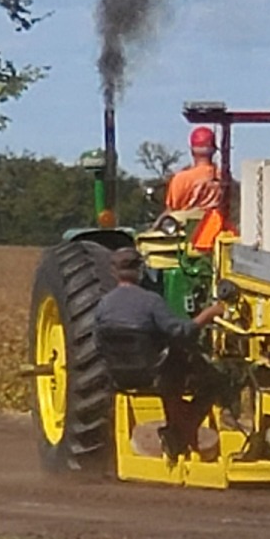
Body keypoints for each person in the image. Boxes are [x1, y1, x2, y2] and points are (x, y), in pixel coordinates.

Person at [94, 247, 227, 459]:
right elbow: (181, 332)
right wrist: (210, 313)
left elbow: (98, 343)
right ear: (140, 270)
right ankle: (184, 428)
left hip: (118, 377)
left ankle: (178, 430)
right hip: (154, 375)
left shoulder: (103, 305)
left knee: (172, 370)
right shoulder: (151, 301)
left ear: (113, 272)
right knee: (216, 379)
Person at [165, 126, 222, 211]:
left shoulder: (180, 179)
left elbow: (172, 209)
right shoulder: (222, 177)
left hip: (187, 219)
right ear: (214, 150)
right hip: (216, 219)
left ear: (192, 151)